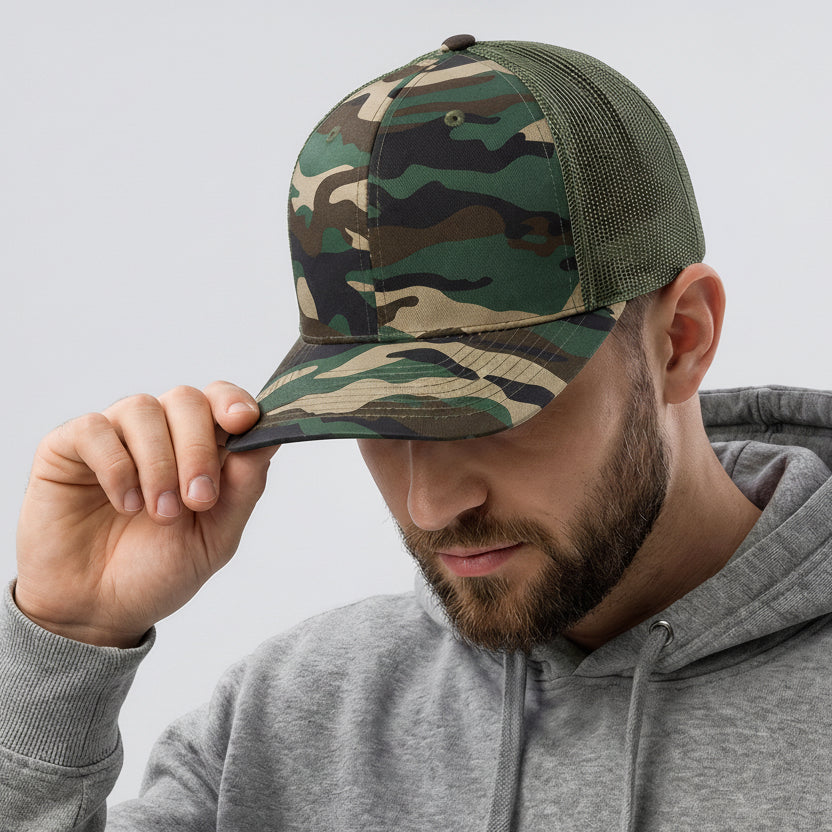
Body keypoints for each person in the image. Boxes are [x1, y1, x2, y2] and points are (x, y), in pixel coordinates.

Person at [1, 34, 831, 831]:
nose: (430, 506)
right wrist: (65, 639)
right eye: (375, 421)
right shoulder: (292, 715)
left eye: (493, 412)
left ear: (681, 339)